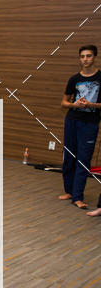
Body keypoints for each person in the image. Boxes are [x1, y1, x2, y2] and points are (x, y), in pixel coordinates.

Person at [59, 45, 101, 209]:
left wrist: (91, 105)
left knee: (83, 160)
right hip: (72, 121)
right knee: (69, 157)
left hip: (90, 123)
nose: (85, 59)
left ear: (94, 57)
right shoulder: (74, 79)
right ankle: (69, 191)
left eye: (88, 56)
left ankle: (78, 196)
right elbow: (63, 102)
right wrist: (74, 104)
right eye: (82, 56)